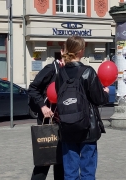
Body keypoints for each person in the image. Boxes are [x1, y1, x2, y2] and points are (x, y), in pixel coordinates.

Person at [55, 36, 109, 179]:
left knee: (70, 172)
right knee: (87, 171)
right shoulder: (88, 71)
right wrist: (105, 93)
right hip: (87, 127)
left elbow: (58, 95)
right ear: (80, 51)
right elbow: (99, 99)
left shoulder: (61, 73)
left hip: (67, 125)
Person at [28, 46, 65, 180]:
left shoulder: (68, 71)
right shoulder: (50, 69)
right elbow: (32, 89)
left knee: (60, 160)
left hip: (62, 120)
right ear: (62, 52)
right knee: (44, 158)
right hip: (47, 119)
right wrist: (43, 106)